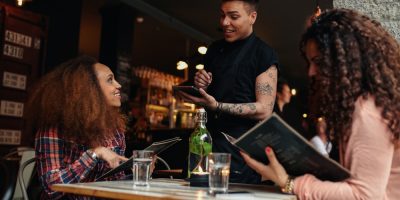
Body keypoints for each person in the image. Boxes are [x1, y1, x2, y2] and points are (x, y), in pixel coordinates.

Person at [241, 8, 400, 199]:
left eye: (318, 61)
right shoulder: (368, 102)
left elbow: (365, 195)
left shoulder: (366, 111)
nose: (311, 72)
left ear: (345, 59)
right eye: (310, 63)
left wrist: (289, 182)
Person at [178, 0, 278, 184]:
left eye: (233, 16)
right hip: (203, 146)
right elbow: (208, 92)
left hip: (238, 153)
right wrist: (202, 84)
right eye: (222, 15)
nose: (224, 22)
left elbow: (264, 109)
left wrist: (217, 106)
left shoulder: (263, 53)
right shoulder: (214, 49)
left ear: (252, 17)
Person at [26, 56, 129, 199]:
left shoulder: (114, 129)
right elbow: (52, 187)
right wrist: (95, 154)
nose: (118, 85)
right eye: (110, 80)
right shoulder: (53, 128)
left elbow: (115, 181)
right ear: (90, 88)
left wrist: (140, 171)